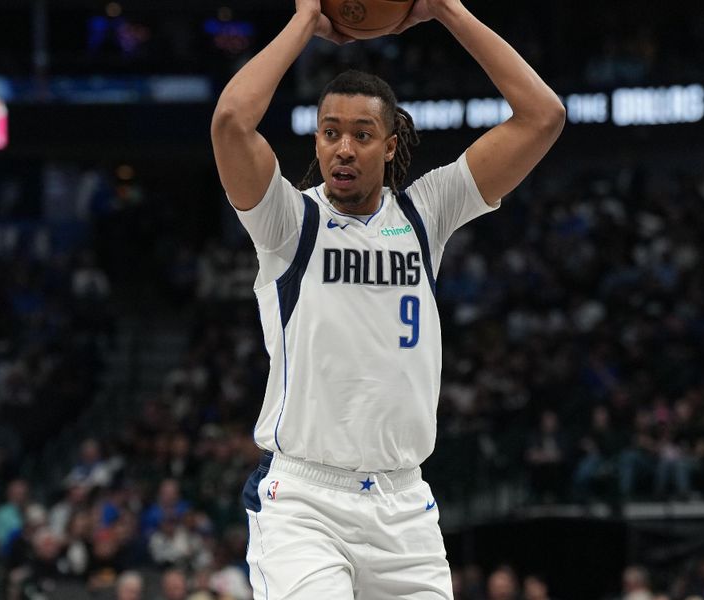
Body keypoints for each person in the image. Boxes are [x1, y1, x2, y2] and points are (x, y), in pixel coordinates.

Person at [211, 0, 564, 597]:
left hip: (403, 504)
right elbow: (230, 123)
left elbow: (544, 116)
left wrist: (448, 11)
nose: (343, 148)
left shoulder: (429, 212)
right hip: (303, 501)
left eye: (362, 134)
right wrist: (305, 22)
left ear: (393, 143)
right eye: (330, 133)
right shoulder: (287, 222)